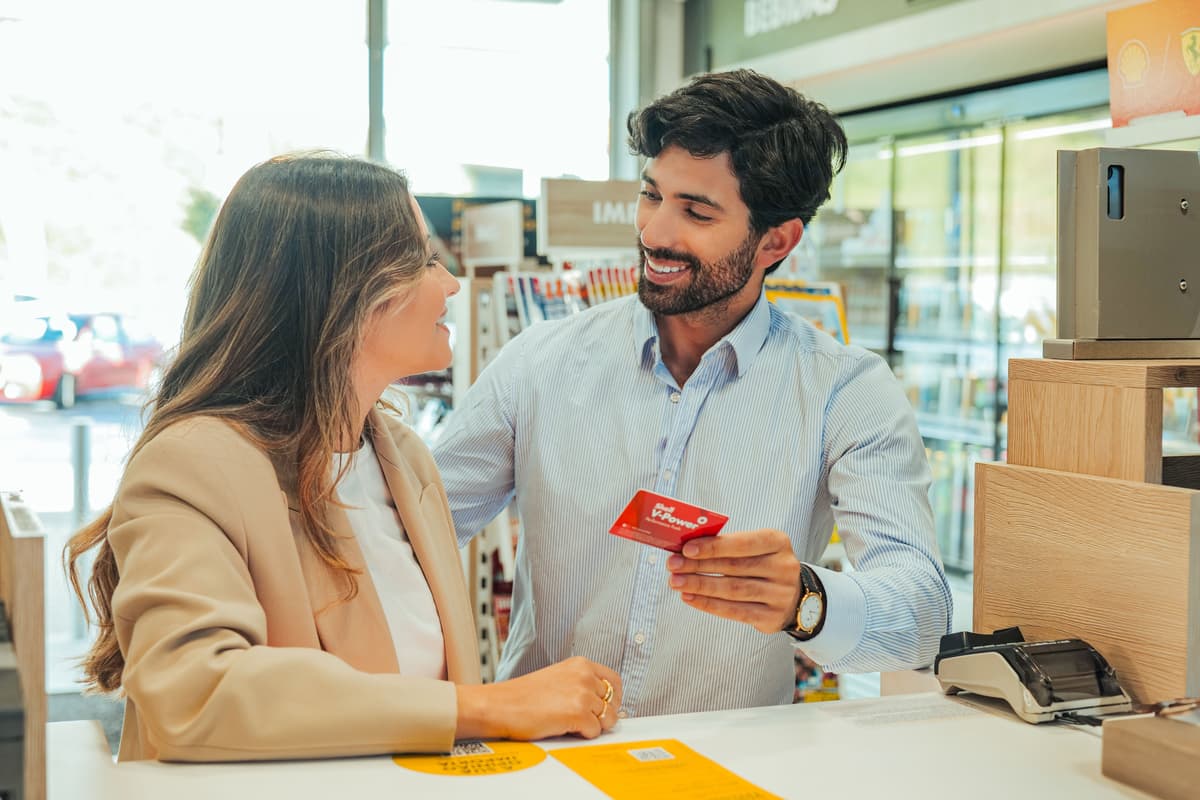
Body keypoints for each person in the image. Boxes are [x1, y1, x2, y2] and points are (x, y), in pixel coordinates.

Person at [64, 154, 622, 762]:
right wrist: (489, 708)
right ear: (345, 291)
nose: (451, 283)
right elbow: (195, 692)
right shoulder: (191, 466)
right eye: (424, 260)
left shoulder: (404, 460)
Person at [433, 70, 952, 717]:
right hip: (553, 764)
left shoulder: (843, 391)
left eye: (697, 212)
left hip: (732, 769)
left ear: (777, 240)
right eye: (652, 196)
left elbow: (923, 613)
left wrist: (803, 599)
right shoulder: (540, 364)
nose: (654, 233)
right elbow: (413, 527)